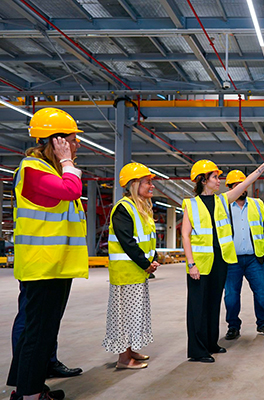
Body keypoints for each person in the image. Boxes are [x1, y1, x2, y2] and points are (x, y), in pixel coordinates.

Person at [7, 108, 89, 400]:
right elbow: (71, 190)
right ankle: (28, 395)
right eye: (71, 139)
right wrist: (67, 162)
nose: (76, 143)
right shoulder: (33, 170)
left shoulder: (47, 170)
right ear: (56, 141)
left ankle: (31, 387)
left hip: (55, 266)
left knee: (43, 332)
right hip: (42, 266)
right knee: (37, 332)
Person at [182, 154, 264, 363]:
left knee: (214, 304)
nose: (219, 180)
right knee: (198, 307)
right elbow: (185, 236)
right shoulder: (191, 205)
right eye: (215, 177)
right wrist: (191, 265)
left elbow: (247, 181)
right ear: (203, 180)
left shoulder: (222, 201)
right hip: (200, 264)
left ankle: (211, 343)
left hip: (220, 262)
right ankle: (198, 350)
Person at [102, 162, 160, 369]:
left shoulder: (139, 208)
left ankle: (131, 350)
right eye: (147, 182)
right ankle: (124, 359)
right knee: (124, 317)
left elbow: (145, 239)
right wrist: (146, 264)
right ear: (134, 184)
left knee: (135, 315)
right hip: (126, 274)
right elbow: (128, 242)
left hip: (137, 272)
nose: (151, 186)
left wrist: (150, 261)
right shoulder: (123, 209)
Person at [223, 170, 264, 341]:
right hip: (232, 259)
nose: (241, 188)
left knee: (261, 292)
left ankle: (263, 323)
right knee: (231, 295)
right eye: (236, 185)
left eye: (242, 184)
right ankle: (233, 326)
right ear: (230, 188)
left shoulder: (257, 204)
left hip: (254, 258)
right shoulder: (222, 207)